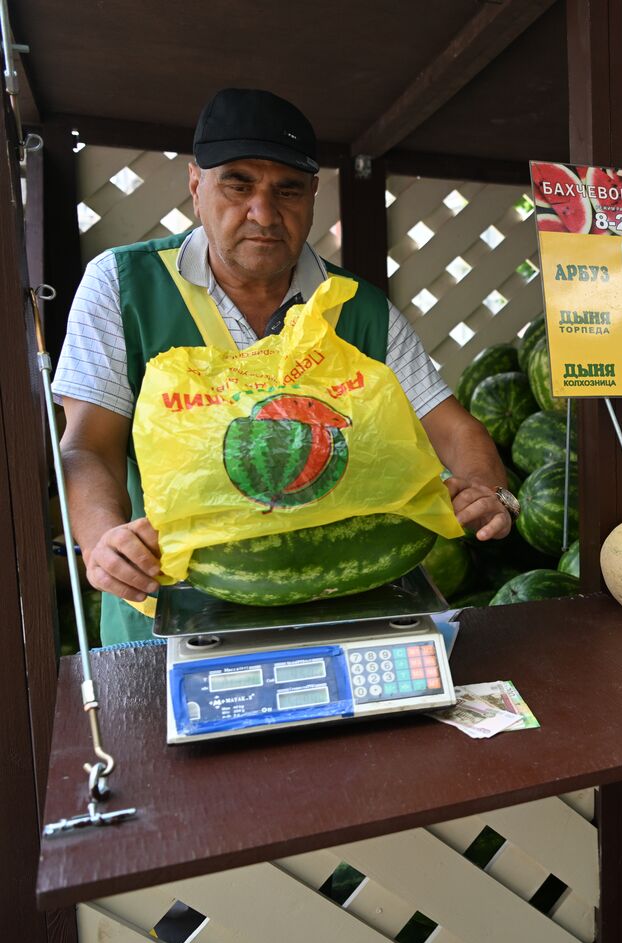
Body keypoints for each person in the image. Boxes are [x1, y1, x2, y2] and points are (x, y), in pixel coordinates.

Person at [53, 89, 516, 644]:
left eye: (288, 190)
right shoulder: (122, 286)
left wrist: (489, 490)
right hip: (167, 615)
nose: (264, 214)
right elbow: (87, 445)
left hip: (342, 608)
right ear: (196, 186)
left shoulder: (355, 305)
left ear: (314, 195)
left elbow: (453, 428)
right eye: (238, 184)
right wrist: (104, 540)